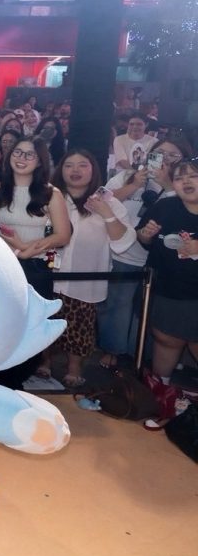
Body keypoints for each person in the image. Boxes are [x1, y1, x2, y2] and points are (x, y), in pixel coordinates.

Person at [97, 137, 191, 365]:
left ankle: (136, 355)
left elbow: (185, 214)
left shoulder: (182, 184)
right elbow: (99, 199)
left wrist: (168, 185)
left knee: (145, 310)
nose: (165, 159)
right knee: (117, 304)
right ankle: (113, 351)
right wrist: (134, 185)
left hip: (157, 258)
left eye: (172, 155)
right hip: (122, 251)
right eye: (160, 153)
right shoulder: (128, 176)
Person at [0, 136, 71, 388]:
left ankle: (19, 378)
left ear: (39, 161)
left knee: (29, 327)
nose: (21, 158)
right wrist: (18, 248)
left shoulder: (50, 193)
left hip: (35, 268)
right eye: (17, 152)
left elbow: (62, 235)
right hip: (1, 267)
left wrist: (28, 249)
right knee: (0, 323)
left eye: (29, 154)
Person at [50, 150, 135, 387]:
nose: (75, 170)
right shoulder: (52, 196)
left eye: (82, 165)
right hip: (51, 272)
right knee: (46, 320)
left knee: (80, 324)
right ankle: (43, 362)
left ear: (93, 169)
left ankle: (74, 367)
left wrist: (105, 212)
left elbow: (123, 242)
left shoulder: (109, 201)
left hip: (86, 275)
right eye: (69, 165)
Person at [137, 158, 198, 418]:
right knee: (165, 339)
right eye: (179, 177)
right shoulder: (165, 206)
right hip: (165, 288)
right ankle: (160, 396)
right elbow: (142, 237)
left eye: (192, 175)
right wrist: (146, 234)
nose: (186, 181)